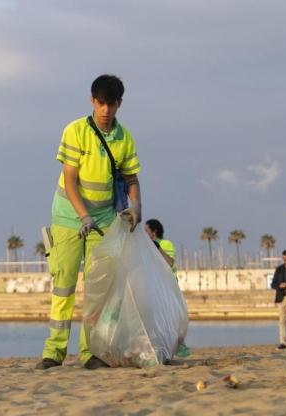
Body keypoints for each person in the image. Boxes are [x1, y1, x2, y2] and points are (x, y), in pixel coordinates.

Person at [37, 74, 142, 371]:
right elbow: (70, 181)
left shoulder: (125, 138)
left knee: (98, 291)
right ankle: (54, 352)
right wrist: (83, 215)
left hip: (105, 220)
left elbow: (131, 178)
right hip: (69, 218)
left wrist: (137, 206)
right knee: (64, 286)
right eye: (100, 103)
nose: (105, 110)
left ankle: (89, 353)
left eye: (111, 104)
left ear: (120, 104)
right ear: (91, 101)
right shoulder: (75, 131)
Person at [144, 218, 190, 358]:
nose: (144, 234)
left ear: (154, 231)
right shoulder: (146, 246)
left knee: (167, 320)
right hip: (154, 288)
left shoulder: (165, 244)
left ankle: (172, 347)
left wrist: (155, 247)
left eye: (146, 231)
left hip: (167, 288)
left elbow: (169, 263)